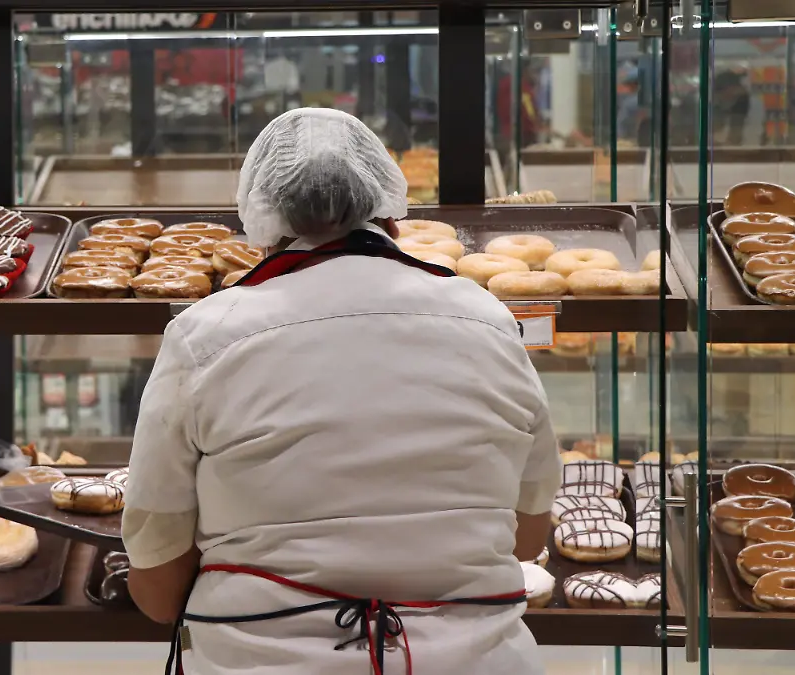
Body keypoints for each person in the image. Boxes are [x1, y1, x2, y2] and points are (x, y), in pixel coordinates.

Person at [122, 107, 561, 674]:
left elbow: (158, 594)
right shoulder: (488, 318)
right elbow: (526, 539)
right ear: (392, 217)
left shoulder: (204, 336)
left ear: (260, 228)